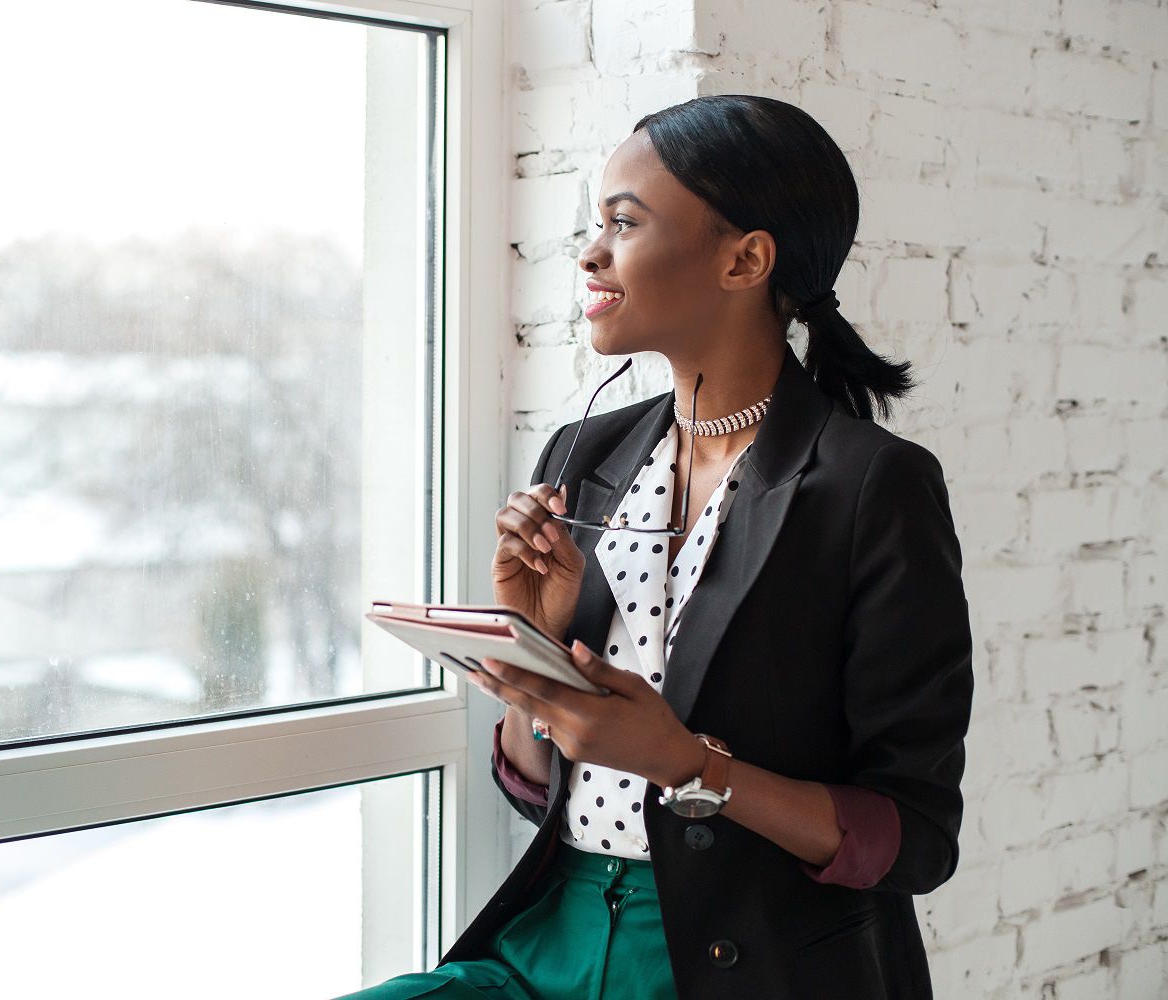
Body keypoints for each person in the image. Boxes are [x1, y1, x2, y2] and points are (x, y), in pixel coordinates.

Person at [335, 94, 973, 1000]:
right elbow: (537, 790)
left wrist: (687, 762)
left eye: (625, 223)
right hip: (548, 938)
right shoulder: (583, 453)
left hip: (745, 962)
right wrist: (535, 655)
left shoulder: (875, 486)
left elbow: (913, 836)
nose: (590, 252)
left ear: (746, 258)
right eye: (595, 224)